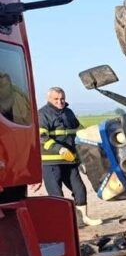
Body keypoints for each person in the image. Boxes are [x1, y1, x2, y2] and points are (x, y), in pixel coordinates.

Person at [38, 86, 102, 226]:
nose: (60, 102)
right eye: (56, 99)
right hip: (51, 162)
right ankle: (61, 223)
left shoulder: (69, 113)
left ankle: (82, 219)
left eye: (62, 99)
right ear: (49, 99)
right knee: (56, 195)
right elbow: (41, 136)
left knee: (79, 189)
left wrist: (90, 137)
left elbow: (78, 131)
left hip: (70, 159)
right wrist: (58, 149)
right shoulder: (42, 114)